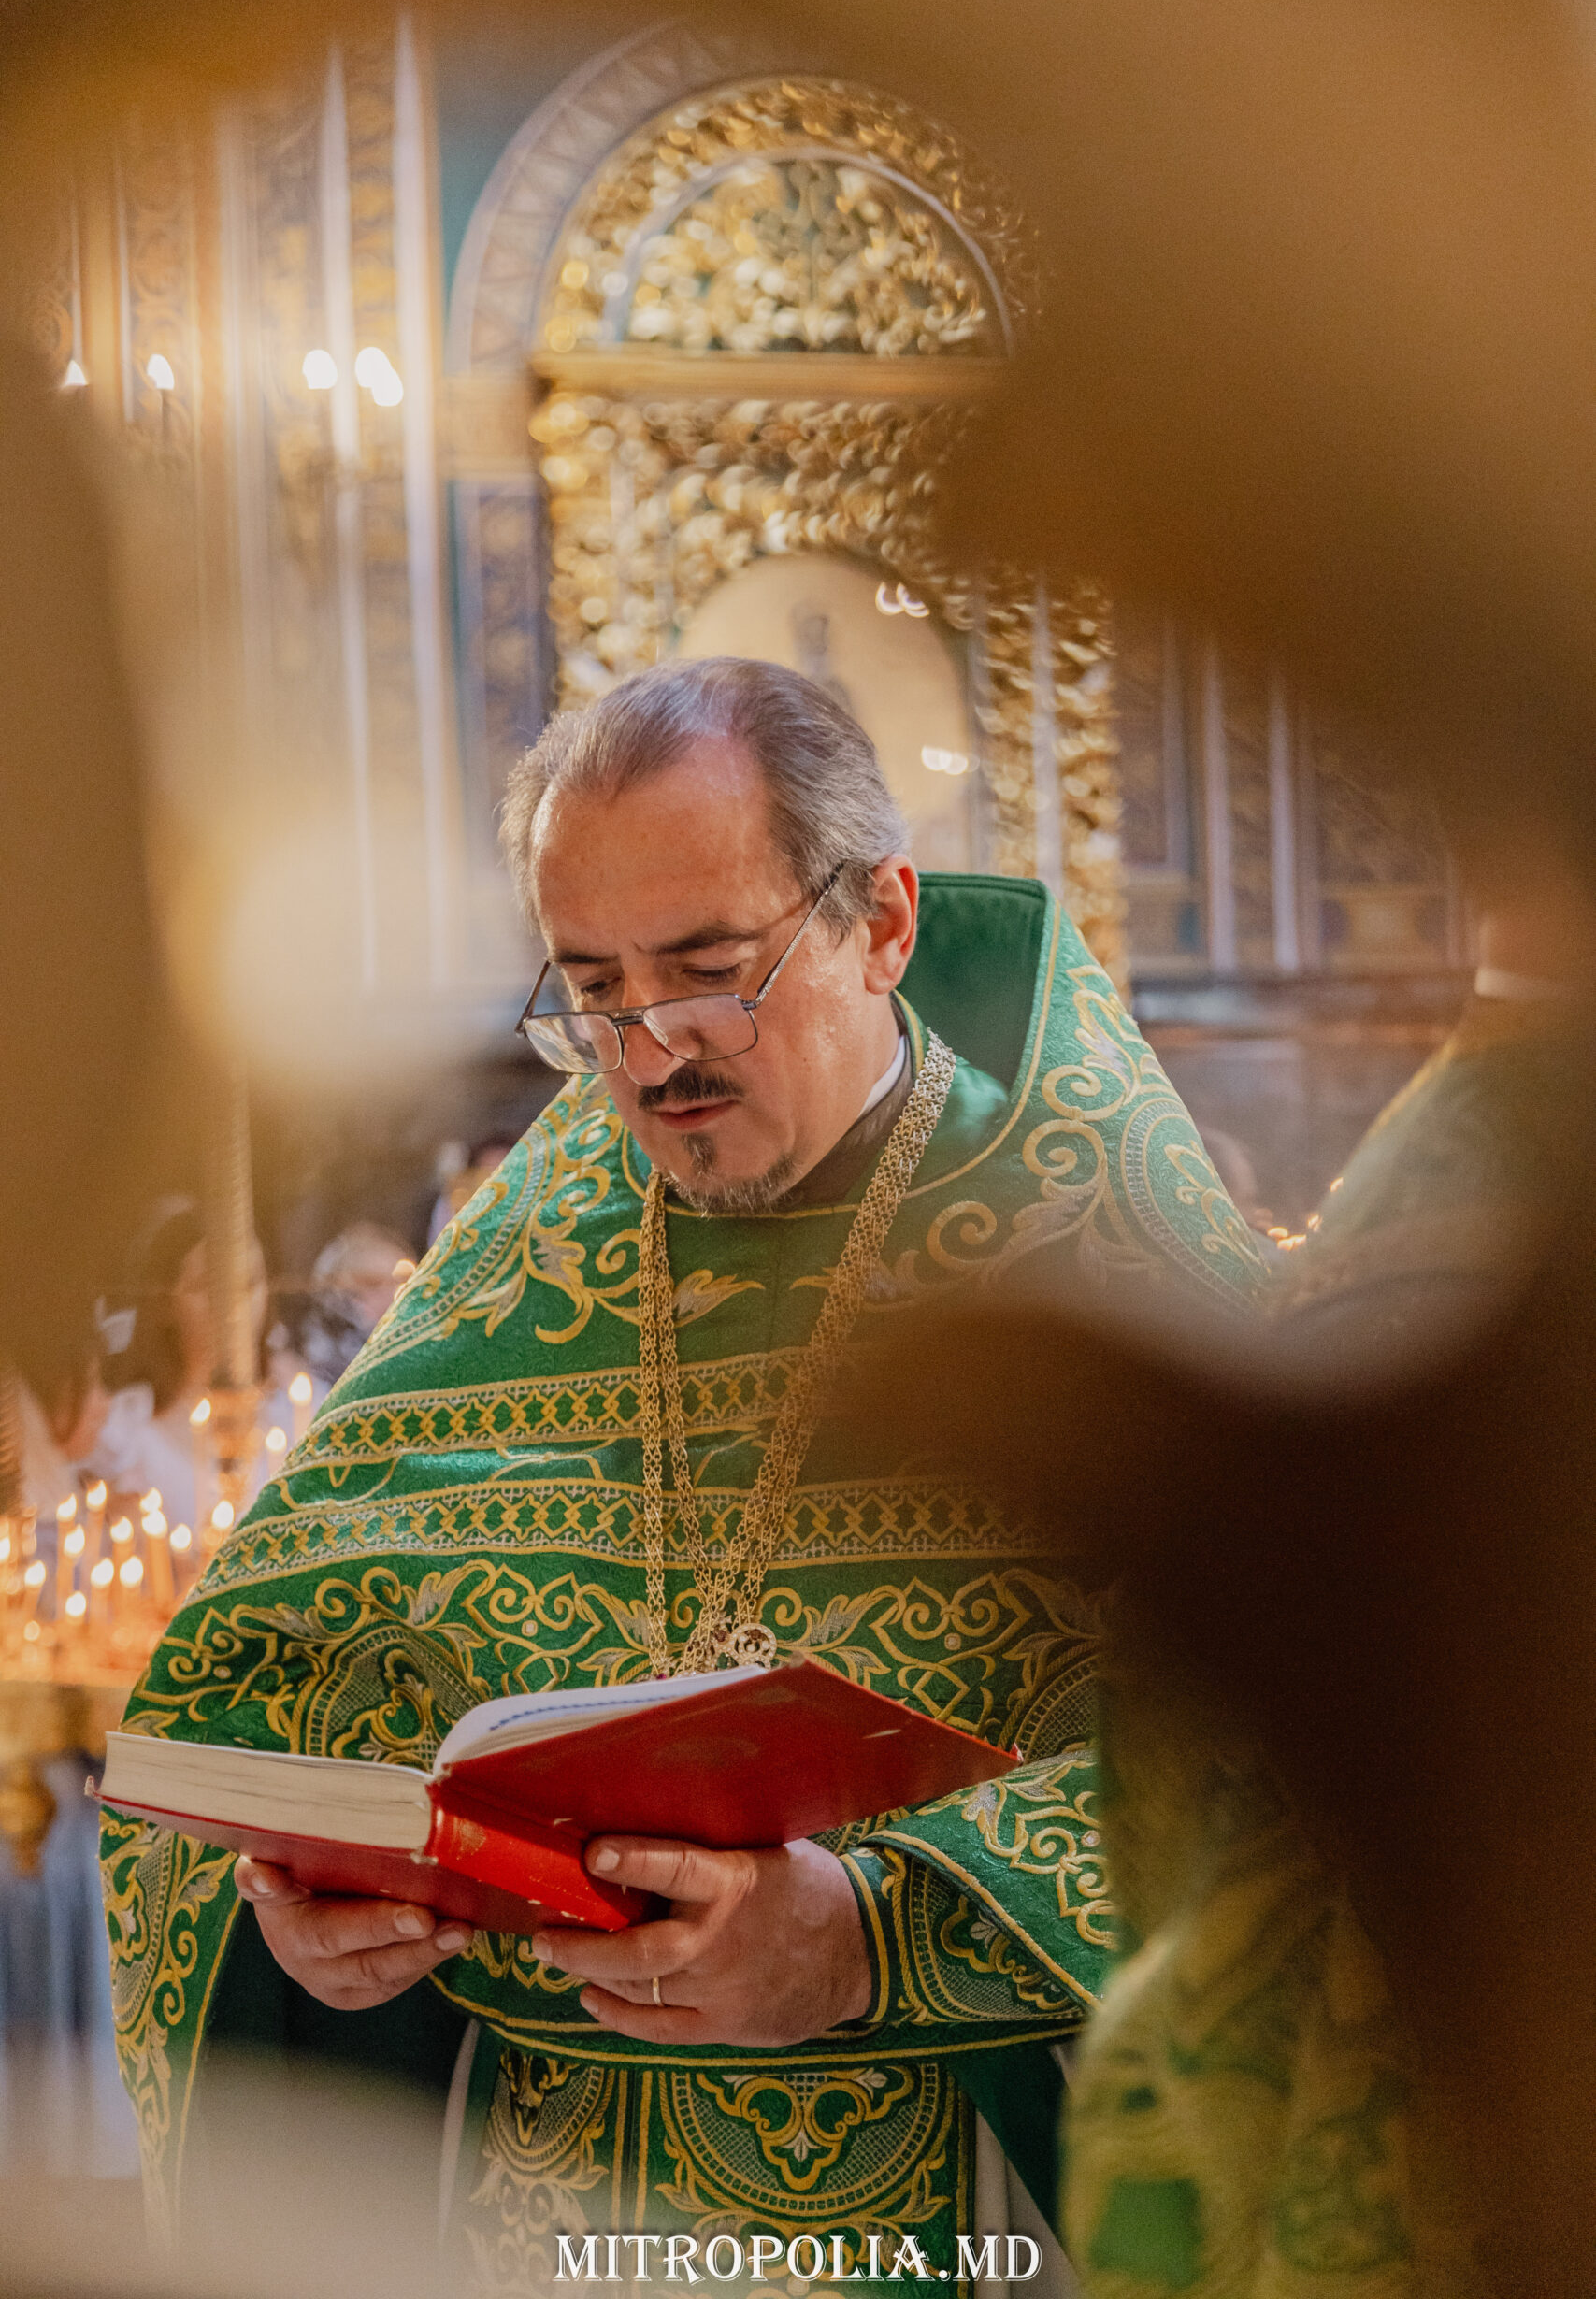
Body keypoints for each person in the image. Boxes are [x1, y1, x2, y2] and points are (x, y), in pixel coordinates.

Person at [103, 658, 1262, 2277]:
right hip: (558, 2217)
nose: (652, 1052)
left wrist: (878, 1938)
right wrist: (299, 1913)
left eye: (713, 971)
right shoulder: (515, 1277)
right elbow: (251, 1715)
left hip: (982, 2201)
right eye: (593, 990)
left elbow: (1311, 1742)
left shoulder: (1106, 1264)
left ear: (881, 924)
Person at [92, 1200, 308, 1534]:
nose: (235, 1309)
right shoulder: (126, 1437)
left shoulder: (298, 1413)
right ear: (164, 1303)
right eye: (208, 1286)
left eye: (251, 1282)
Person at [297, 1221, 414, 1389]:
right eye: (372, 1283)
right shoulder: (311, 1370)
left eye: (403, 1279)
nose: (393, 1292)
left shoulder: (414, 1349)